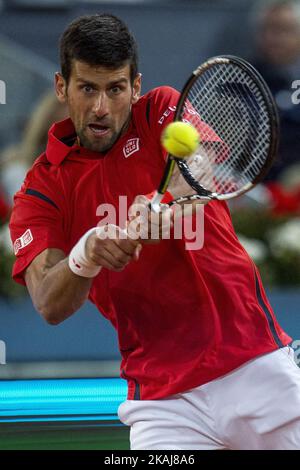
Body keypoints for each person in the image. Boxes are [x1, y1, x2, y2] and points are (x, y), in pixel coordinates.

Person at [9, 14, 300, 450]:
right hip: (163, 402)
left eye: (116, 88)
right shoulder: (40, 188)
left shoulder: (162, 109)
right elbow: (49, 302)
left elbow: (198, 167)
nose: (102, 107)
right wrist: (85, 254)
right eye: (88, 88)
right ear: (61, 87)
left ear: (136, 86)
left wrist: (165, 207)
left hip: (253, 363)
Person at [250, 0, 300, 182]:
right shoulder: (238, 79)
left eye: (284, 30)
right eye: (267, 29)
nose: (274, 38)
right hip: (248, 186)